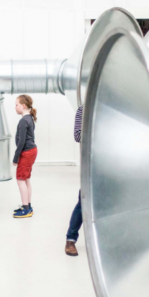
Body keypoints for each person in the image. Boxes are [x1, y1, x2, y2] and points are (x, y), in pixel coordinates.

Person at [12, 95, 38, 218]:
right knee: (26, 178)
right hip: (31, 151)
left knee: (20, 179)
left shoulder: (23, 121)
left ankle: (26, 209)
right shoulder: (30, 118)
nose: (15, 107)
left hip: (27, 152)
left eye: (16, 105)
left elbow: (21, 141)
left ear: (23, 106)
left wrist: (15, 158)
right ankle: (27, 205)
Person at [65, 105, 84, 256]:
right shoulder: (83, 109)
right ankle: (70, 240)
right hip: (91, 164)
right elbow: (77, 135)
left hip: (113, 163)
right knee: (83, 202)